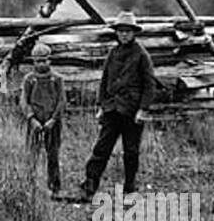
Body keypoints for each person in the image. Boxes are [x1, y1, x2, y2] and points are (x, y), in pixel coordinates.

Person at [80, 11, 159, 199]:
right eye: (121, 31)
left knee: (131, 151)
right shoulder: (113, 53)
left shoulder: (141, 55)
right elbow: (105, 79)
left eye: (128, 31)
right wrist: (101, 105)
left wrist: (143, 109)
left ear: (134, 33)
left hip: (132, 111)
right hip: (111, 109)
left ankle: (130, 186)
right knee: (102, 148)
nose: (124, 34)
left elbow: (150, 84)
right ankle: (90, 183)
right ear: (116, 32)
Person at [19, 41, 67, 197]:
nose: (41, 64)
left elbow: (62, 101)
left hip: (52, 123)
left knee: (52, 154)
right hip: (35, 123)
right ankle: (29, 184)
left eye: (44, 60)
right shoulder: (29, 79)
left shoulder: (57, 79)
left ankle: (55, 187)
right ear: (33, 61)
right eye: (38, 61)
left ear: (50, 60)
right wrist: (31, 119)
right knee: (32, 153)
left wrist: (53, 120)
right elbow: (24, 101)